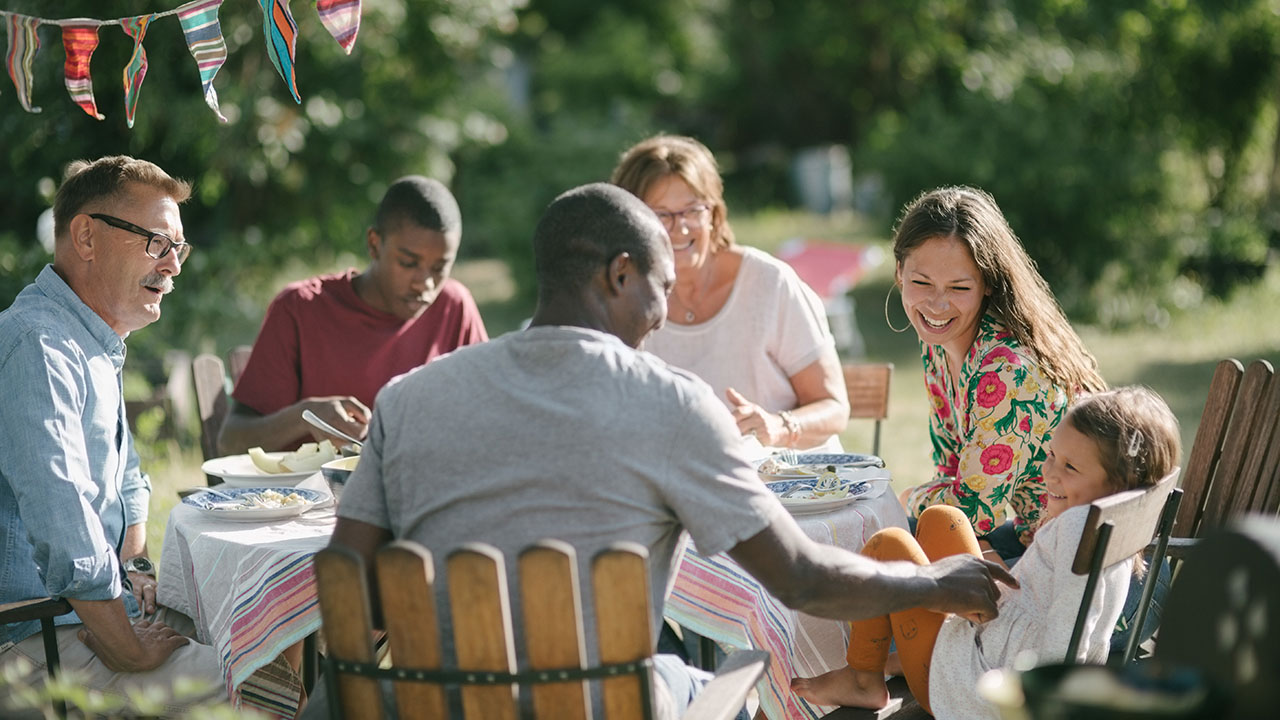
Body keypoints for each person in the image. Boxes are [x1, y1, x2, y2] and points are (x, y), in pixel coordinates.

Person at [315, 182, 1014, 719]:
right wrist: (935, 583)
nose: (665, 314)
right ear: (621, 275)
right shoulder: (675, 406)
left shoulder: (407, 399)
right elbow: (801, 579)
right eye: (661, 290)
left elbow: (349, 573)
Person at [791, 386, 1181, 719]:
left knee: (889, 546)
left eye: (1070, 468)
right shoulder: (1104, 525)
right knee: (944, 519)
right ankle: (902, 657)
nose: (1050, 474)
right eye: (1051, 456)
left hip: (967, 689)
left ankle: (862, 678)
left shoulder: (1084, 532)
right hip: (987, 643)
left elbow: (1065, 645)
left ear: (1117, 485)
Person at [0, 156, 230, 715]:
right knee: (254, 682)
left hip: (82, 613)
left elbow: (125, 480)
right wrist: (124, 646)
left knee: (261, 629)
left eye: (179, 247)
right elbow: (64, 521)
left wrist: (136, 570)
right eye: (157, 242)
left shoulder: (89, 340)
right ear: (85, 237)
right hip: (30, 639)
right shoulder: (38, 345)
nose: (174, 266)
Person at [888, 186, 1106, 563]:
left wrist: (907, 497)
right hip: (1039, 542)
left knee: (899, 552)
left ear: (988, 283)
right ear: (899, 273)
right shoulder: (939, 344)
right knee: (901, 553)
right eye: (921, 282)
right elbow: (951, 465)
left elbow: (970, 513)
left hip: (1091, 575)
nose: (936, 305)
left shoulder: (1008, 372)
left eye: (958, 287)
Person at [218, 175, 488, 454]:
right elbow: (231, 441)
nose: (425, 284)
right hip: (318, 494)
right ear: (374, 244)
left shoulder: (454, 307)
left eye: (439, 268)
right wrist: (304, 415)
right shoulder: (301, 309)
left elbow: (490, 415)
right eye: (408, 263)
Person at [611, 135, 849, 451]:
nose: (679, 228)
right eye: (661, 214)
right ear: (632, 221)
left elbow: (834, 407)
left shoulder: (770, 284)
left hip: (792, 488)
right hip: (677, 487)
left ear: (714, 214)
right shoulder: (620, 296)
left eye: (692, 210)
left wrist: (778, 427)